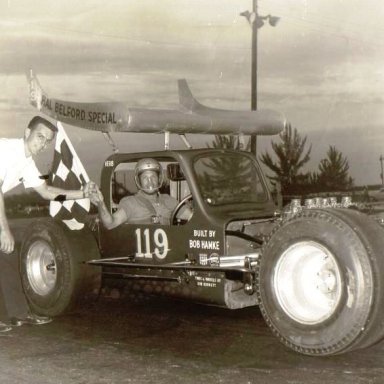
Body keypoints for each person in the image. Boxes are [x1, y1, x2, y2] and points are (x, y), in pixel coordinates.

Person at [0, 116, 94, 332]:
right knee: (5, 245)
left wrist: (81, 193)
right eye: (39, 137)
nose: (42, 144)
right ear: (26, 133)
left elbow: (47, 192)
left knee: (7, 253)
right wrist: (4, 230)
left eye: (47, 141)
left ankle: (18, 313)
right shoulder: (5, 150)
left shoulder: (26, 162)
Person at [90, 158, 191, 228]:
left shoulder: (168, 200)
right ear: (138, 181)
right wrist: (100, 203)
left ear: (159, 179)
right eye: (145, 178)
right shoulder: (130, 202)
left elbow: (192, 217)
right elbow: (110, 223)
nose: (150, 181)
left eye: (153, 177)